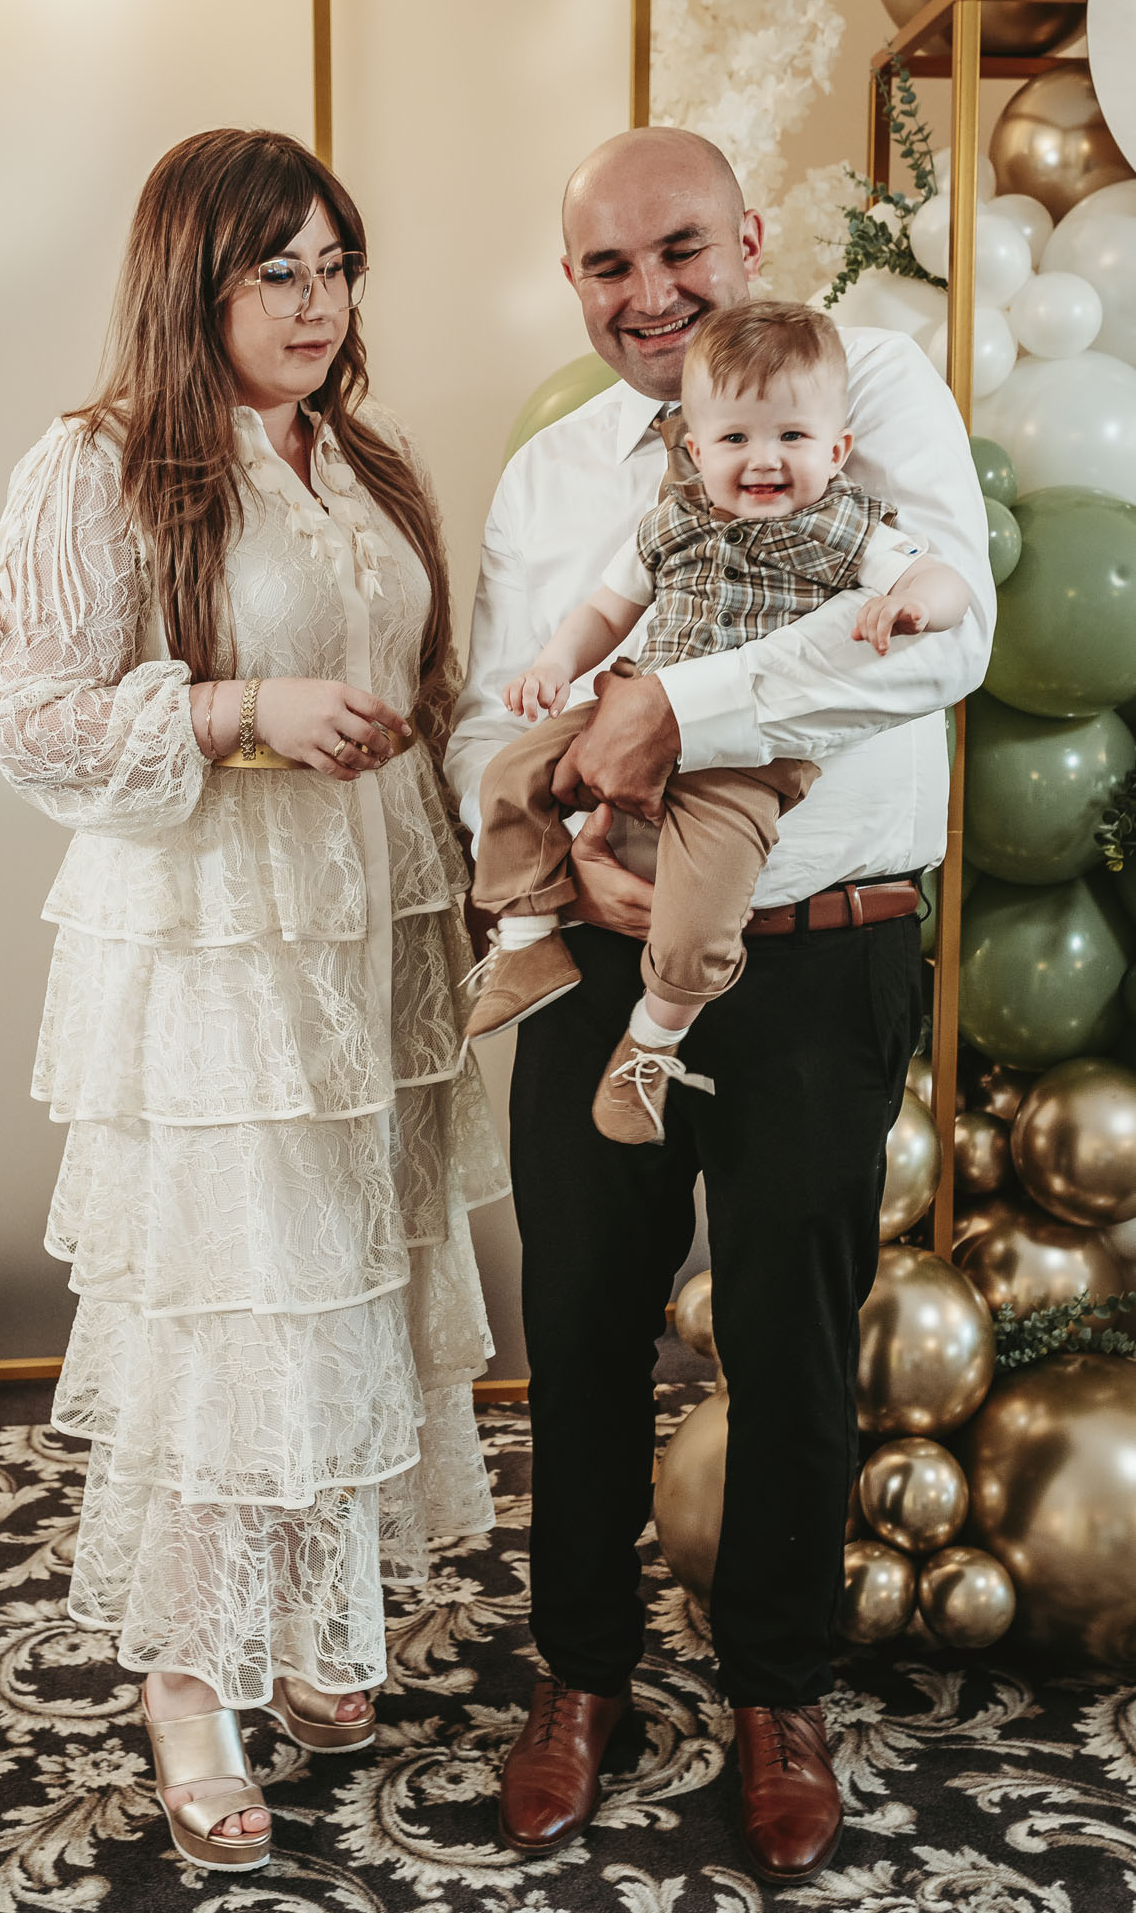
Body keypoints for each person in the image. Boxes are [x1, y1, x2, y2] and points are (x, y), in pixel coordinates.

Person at [446, 128, 992, 1885]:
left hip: (822, 947)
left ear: (751, 238)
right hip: (596, 955)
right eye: (607, 267)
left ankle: (775, 1692)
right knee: (581, 1325)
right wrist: (567, 855)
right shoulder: (553, 476)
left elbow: (945, 633)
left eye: (679, 248)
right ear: (571, 285)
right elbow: (490, 716)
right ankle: (577, 1676)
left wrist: (678, 707)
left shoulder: (869, 391)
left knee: (787, 1332)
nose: (649, 294)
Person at [0, 128, 505, 1875]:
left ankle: (312, 1627)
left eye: (335, 267)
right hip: (218, 955)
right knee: (235, 1312)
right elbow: (28, 716)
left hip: (373, 944)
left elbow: (428, 685)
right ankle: (191, 1682)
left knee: (348, 1286)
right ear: (188, 279)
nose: (314, 302)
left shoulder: (366, 461)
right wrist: (232, 708)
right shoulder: (106, 463)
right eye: (275, 269)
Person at [462, 300, 969, 1144]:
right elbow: (605, 610)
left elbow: (946, 583)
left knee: (705, 905)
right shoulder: (672, 520)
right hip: (623, 703)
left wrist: (913, 605)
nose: (763, 459)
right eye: (734, 438)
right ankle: (524, 938)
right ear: (695, 450)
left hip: (740, 761)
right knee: (510, 775)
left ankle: (651, 1042)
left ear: (835, 449)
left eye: (791, 437)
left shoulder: (841, 525)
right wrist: (552, 666)